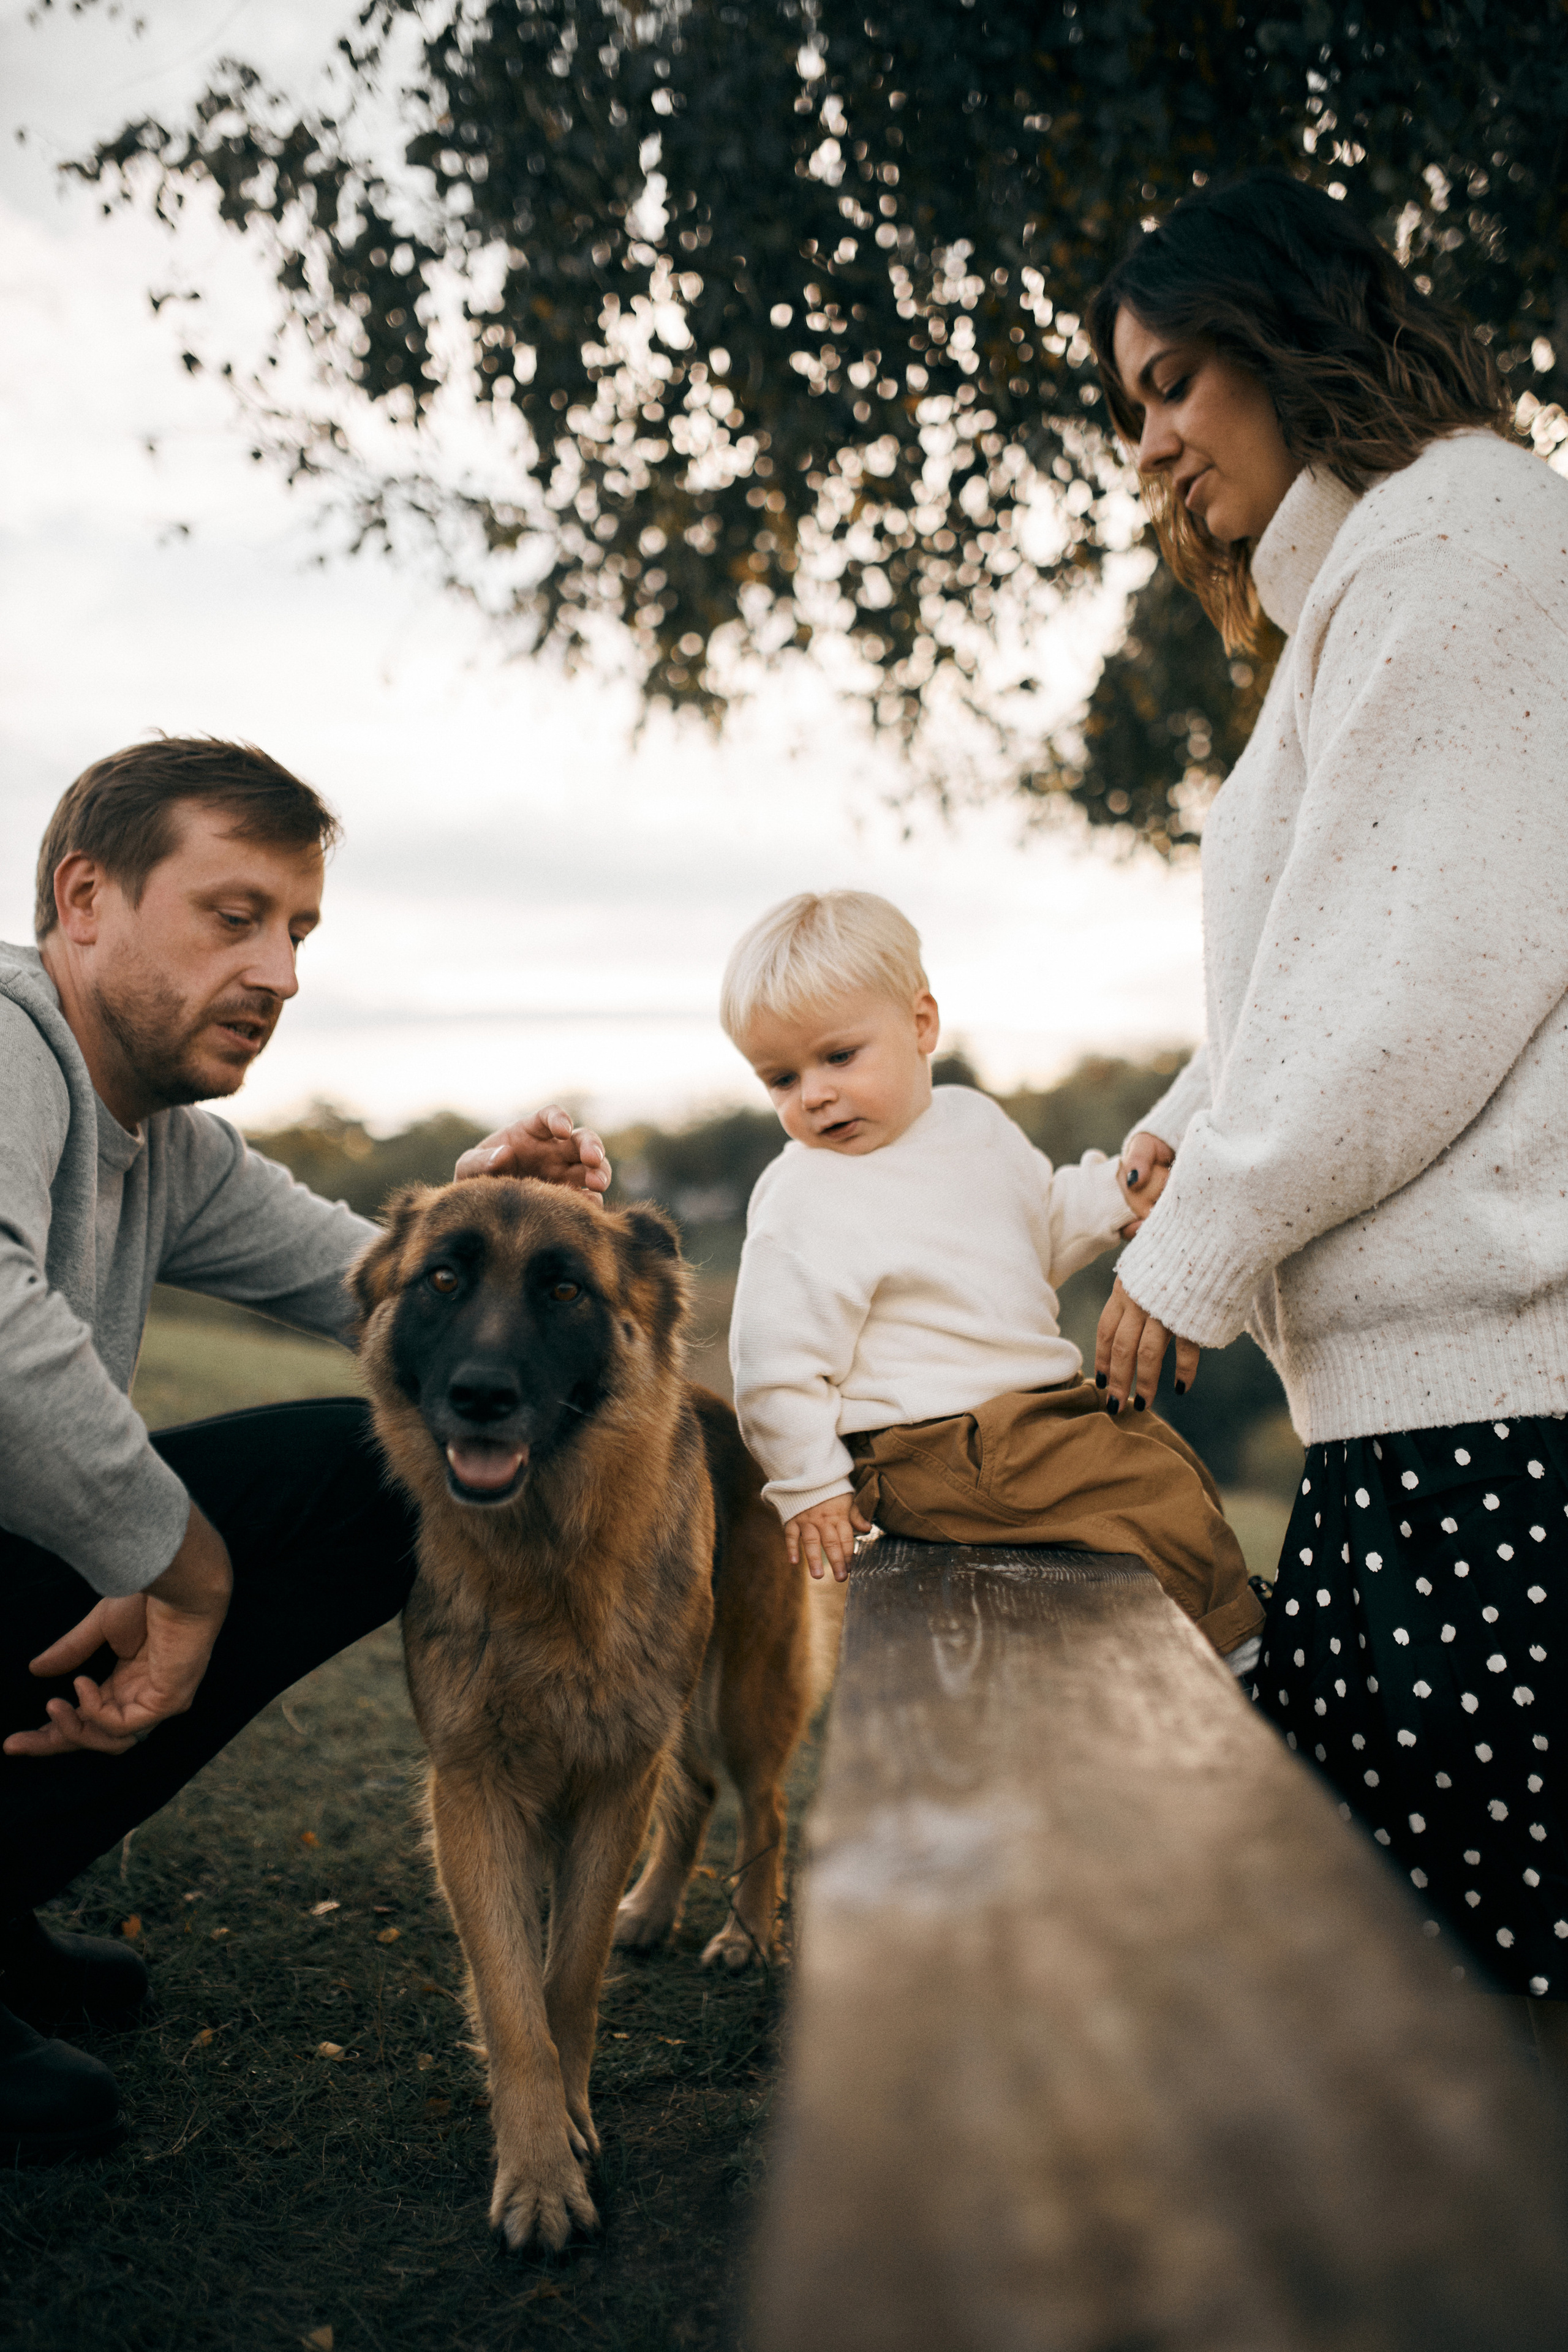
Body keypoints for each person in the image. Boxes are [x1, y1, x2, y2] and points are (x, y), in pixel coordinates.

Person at [1085, 172, 1568, 2023]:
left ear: (1294, 338)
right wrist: (1186, 1124)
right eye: (1128, 403)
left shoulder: (1459, 545)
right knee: (1360, 1994)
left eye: (1179, 379)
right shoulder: (1381, 584)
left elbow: (1414, 982)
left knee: (1477, 2016)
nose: (1148, 443)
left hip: (1500, 1437)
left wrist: (1193, 1246)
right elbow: (1330, 949)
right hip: (1416, 1427)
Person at [0, 736, 611, 2163]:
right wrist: (187, 1576)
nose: (280, 971)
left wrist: (475, 1225)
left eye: (298, 930)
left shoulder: (162, 1139)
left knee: (363, 1469)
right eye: (235, 916)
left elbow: (381, 1297)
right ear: (85, 898)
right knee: (277, 1500)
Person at [720, 889, 1264, 1672]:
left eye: (838, 1056)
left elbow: (1033, 1226)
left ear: (920, 1026)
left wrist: (1115, 1194)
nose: (813, 1094)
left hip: (1022, 1418)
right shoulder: (806, 1195)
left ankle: (1198, 1645)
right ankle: (1236, 1660)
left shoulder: (972, 1124)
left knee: (1166, 1462)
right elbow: (773, 1365)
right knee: (1147, 1491)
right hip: (933, 1440)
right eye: (780, 1078)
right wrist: (809, 1486)